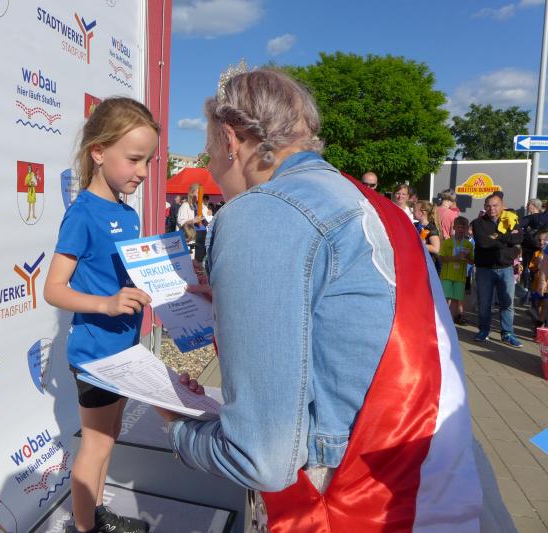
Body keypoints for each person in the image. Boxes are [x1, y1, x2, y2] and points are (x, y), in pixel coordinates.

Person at [156, 68, 510, 531]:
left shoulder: (262, 210)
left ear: (230, 140)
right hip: (437, 478)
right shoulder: (372, 203)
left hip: (353, 498)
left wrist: (177, 427)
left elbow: (262, 456)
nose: (214, 170)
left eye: (208, 152)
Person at [43, 97, 158, 533]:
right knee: (95, 445)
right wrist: (106, 304)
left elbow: (122, 277)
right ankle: (85, 527)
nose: (142, 172)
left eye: (147, 161)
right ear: (98, 152)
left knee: (109, 439)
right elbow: (53, 288)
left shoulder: (127, 213)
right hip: (96, 355)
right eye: (134, 159)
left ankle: (96, 515)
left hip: (125, 349)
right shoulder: (83, 214)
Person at [471, 193, 523, 347]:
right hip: (484, 269)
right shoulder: (478, 223)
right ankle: (484, 330)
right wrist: (507, 241)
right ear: (484, 207)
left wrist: (497, 238)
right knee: (484, 303)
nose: (491, 208)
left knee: (507, 303)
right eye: (488, 206)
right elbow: (483, 243)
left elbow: (519, 238)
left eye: (495, 205)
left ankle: (507, 333)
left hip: (506, 268)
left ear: (502, 206)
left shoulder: (511, 220)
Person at [440, 216, 474, 325]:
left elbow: (472, 262)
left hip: (460, 277)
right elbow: (442, 259)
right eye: (459, 227)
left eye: (463, 227)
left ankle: (449, 321)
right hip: (447, 276)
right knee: (445, 298)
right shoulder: (447, 242)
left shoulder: (468, 244)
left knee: (455, 299)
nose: (461, 230)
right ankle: (441, 319)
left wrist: (467, 258)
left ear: (467, 229)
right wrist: (456, 257)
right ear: (454, 227)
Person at [414, 200, 441, 270]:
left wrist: (420, 245)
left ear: (422, 213)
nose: (412, 212)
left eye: (414, 210)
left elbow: (436, 248)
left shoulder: (431, 228)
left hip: (427, 264)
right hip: (416, 260)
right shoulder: (414, 225)